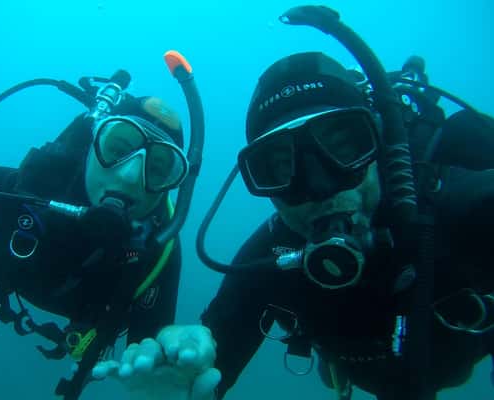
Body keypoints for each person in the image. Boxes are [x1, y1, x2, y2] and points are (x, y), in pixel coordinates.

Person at [91, 18, 494, 400]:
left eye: (343, 147)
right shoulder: (271, 260)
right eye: (280, 167)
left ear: (381, 145)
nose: (318, 188)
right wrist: (182, 386)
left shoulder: (464, 205)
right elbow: (207, 370)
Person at [0, 60, 204, 400]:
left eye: (158, 169)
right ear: (93, 142)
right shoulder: (23, 189)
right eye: (117, 149)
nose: (129, 176)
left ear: (172, 185)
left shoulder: (158, 252)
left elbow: (150, 360)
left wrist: (167, 384)